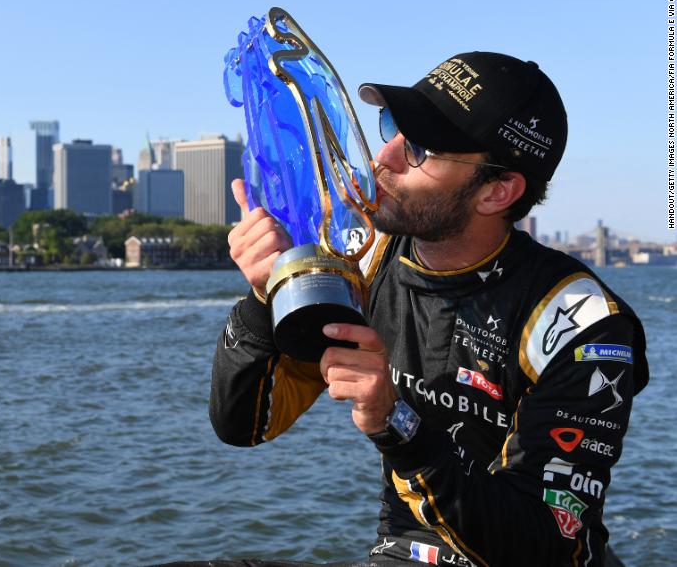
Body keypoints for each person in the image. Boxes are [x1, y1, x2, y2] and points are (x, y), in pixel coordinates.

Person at [203, 52, 650, 566]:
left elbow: (543, 544)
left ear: (497, 191)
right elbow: (243, 426)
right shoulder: (363, 260)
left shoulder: (581, 323)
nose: (383, 157)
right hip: (401, 553)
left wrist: (393, 421)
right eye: (390, 126)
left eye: (418, 146)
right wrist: (267, 296)